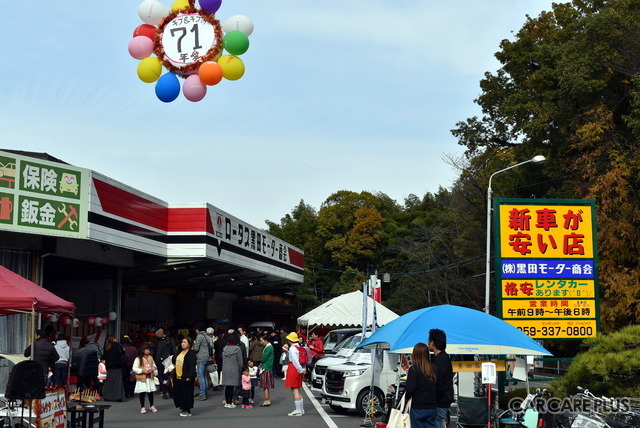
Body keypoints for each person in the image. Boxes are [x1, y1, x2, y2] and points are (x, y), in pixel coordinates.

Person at [405, 342, 438, 428]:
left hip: (417, 406)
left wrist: (406, 398)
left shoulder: (414, 369)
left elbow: (410, 389)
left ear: (415, 354)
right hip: (432, 406)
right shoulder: (434, 368)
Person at [428, 329, 454, 428]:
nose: (428, 344)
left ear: (433, 342)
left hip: (440, 400)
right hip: (444, 399)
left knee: (438, 422)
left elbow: (438, 383)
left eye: (429, 341)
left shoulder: (440, 360)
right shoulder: (443, 357)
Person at [172, 336, 197, 417]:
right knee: (178, 393)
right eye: (182, 342)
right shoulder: (180, 352)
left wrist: (189, 376)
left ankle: (187, 409)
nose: (183, 344)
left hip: (186, 377)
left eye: (185, 342)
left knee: (187, 394)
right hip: (178, 376)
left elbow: (192, 365)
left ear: (189, 344)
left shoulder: (191, 353)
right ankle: (182, 407)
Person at [284, 332, 306, 416]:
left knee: (294, 390)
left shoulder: (292, 348)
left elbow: (295, 361)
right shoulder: (298, 347)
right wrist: (301, 370)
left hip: (294, 368)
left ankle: (298, 410)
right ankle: (301, 409)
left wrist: (300, 370)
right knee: (298, 389)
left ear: (290, 340)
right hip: (298, 368)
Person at [132, 344, 158, 414]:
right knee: (142, 393)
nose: (148, 351)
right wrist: (143, 371)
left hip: (149, 377)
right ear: (143, 350)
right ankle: (142, 407)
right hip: (142, 378)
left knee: (150, 392)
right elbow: (134, 368)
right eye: (146, 349)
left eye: (149, 350)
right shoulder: (138, 359)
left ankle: (151, 405)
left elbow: (154, 365)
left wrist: (153, 368)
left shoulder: (151, 357)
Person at [221, 333, 243, 408]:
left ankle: (227, 402)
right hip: (234, 369)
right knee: (232, 387)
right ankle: (230, 402)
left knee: (227, 387)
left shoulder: (225, 349)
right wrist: (241, 368)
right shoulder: (237, 349)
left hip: (225, 369)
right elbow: (240, 361)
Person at [193, 322, 213, 401]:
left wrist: (193, 346)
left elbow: (196, 348)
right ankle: (205, 392)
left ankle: (202, 394)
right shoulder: (207, 336)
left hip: (201, 358)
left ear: (197, 329)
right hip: (207, 357)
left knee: (200, 376)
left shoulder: (199, 336)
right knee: (204, 376)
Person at [102, 335, 126, 402]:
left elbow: (104, 356)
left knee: (109, 382)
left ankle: (107, 396)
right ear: (114, 339)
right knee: (118, 382)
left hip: (109, 366)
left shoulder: (107, 345)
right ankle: (117, 397)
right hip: (117, 365)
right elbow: (123, 353)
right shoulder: (118, 345)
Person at [154, 328, 175, 399]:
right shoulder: (169, 341)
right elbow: (172, 349)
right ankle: (170, 390)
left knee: (161, 376)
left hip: (161, 361)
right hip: (168, 360)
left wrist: (155, 363)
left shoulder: (160, 344)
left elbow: (158, 354)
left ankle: (163, 390)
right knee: (168, 376)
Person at [258, 334, 274, 407]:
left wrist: (260, 363)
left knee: (265, 385)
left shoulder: (268, 347)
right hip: (268, 366)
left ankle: (267, 400)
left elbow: (264, 358)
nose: (261, 343)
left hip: (266, 367)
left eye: (262, 341)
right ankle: (267, 399)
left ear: (266, 340)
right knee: (266, 385)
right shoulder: (269, 347)